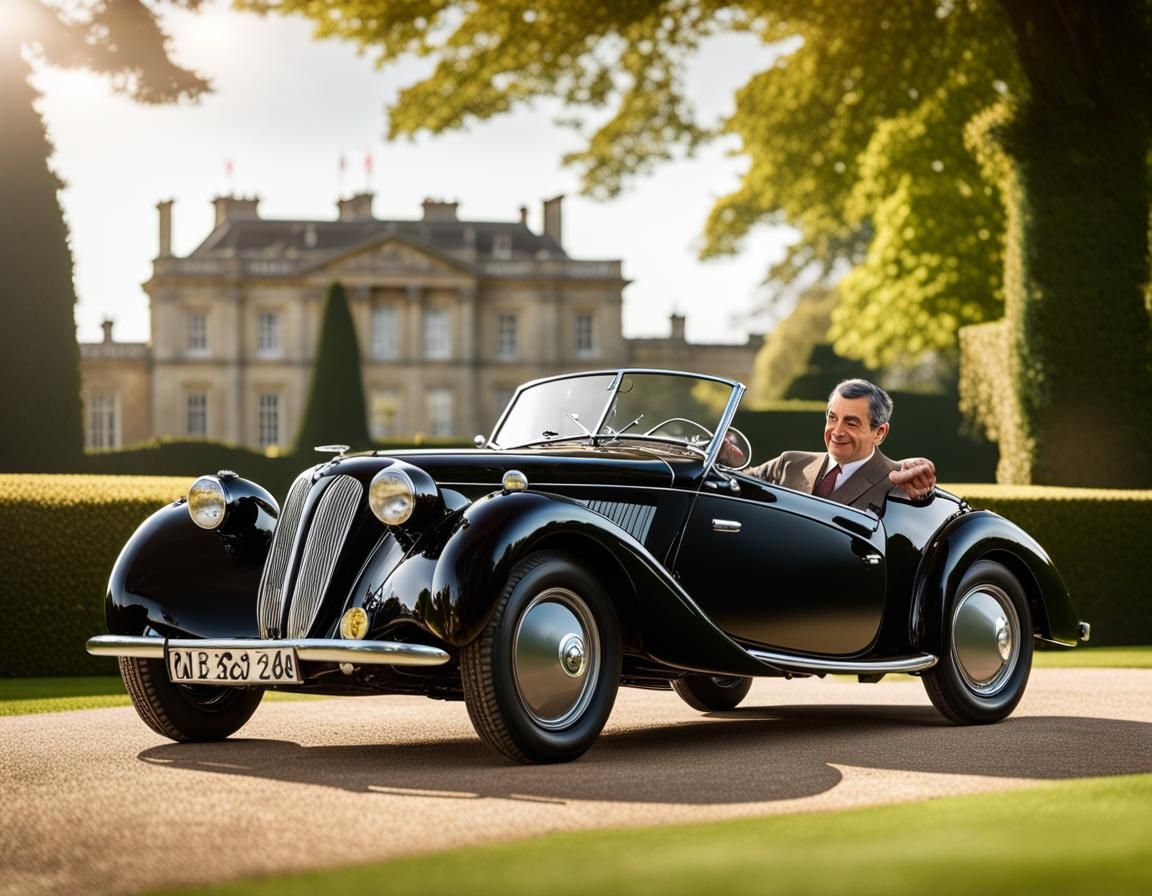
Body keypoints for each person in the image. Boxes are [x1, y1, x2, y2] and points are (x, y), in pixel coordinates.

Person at [725, 379, 936, 512]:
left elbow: (921, 511)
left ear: (879, 433)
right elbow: (733, 486)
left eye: (851, 423)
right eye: (832, 418)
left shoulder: (898, 482)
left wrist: (924, 497)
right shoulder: (788, 463)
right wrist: (726, 459)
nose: (837, 431)